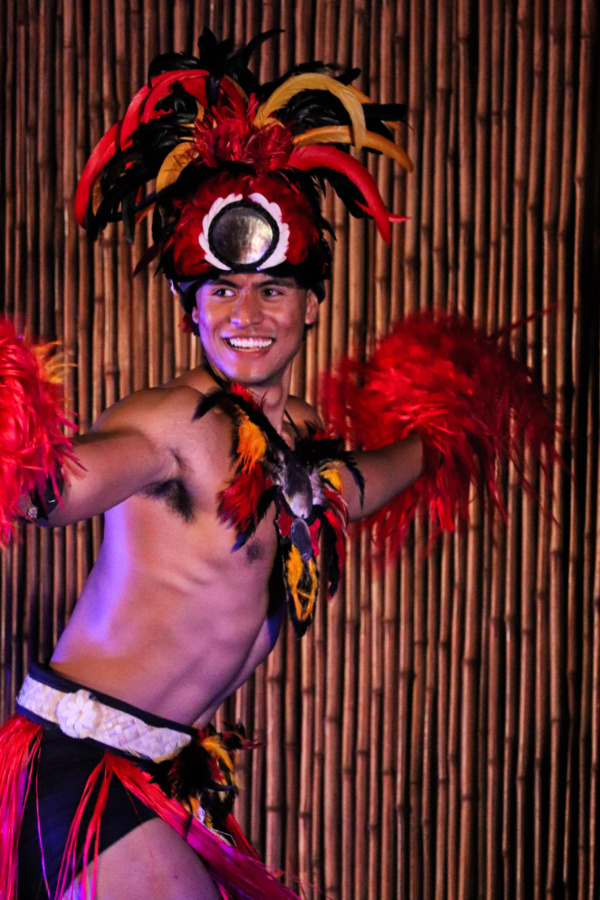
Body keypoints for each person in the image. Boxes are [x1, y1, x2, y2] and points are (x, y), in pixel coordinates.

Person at [0, 30, 554, 900]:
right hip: (82, 766)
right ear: (191, 310)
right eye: (220, 290)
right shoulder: (173, 423)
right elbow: (54, 489)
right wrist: (11, 426)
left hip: (157, 776)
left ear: (309, 303)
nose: (246, 313)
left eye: (274, 289)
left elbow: (354, 489)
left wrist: (445, 431)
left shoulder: (301, 438)